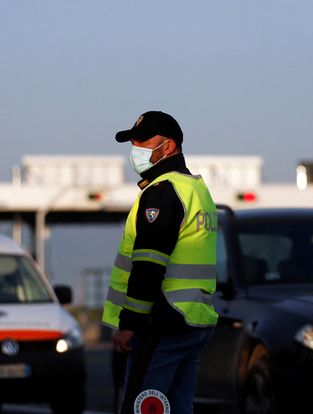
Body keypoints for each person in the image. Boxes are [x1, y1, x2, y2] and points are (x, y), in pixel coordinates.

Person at [103, 111, 218, 414]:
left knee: (144, 407)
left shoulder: (161, 193)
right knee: (178, 408)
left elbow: (148, 265)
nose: (136, 148)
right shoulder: (197, 190)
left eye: (143, 142)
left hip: (162, 323)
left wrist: (129, 325)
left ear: (168, 147)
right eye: (133, 142)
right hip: (193, 319)